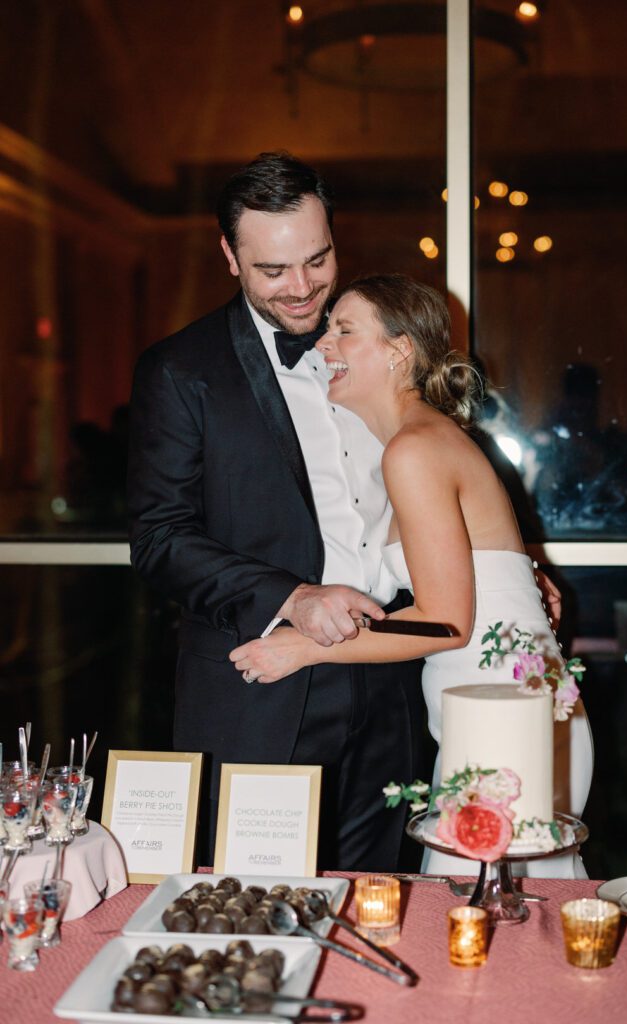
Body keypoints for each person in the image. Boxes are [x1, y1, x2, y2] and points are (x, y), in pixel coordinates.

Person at [230, 273, 594, 878]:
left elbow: (447, 623)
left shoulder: (414, 450)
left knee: (489, 911)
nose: (324, 345)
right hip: (498, 706)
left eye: (345, 331)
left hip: (505, 716)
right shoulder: (417, 441)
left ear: (400, 351)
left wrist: (304, 648)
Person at [126, 153, 427, 870]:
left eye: (317, 260)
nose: (301, 289)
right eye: (273, 271)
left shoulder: (384, 348)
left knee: (385, 895)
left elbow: (438, 472)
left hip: (393, 671)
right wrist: (290, 596)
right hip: (262, 683)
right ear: (229, 256)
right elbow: (158, 539)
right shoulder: (179, 369)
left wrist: (505, 563)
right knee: (258, 906)